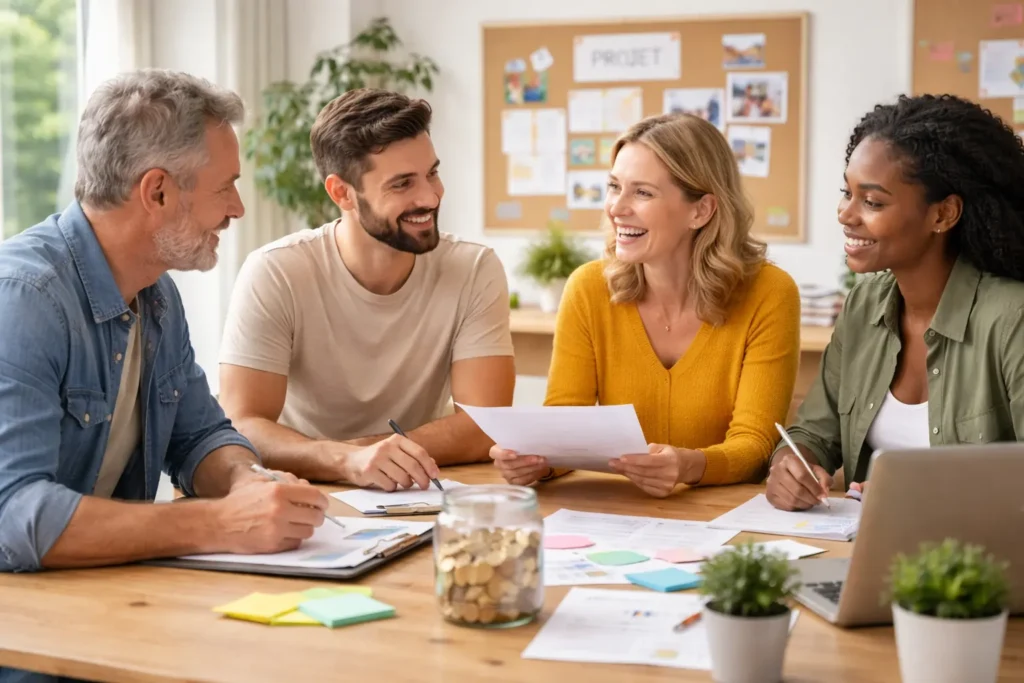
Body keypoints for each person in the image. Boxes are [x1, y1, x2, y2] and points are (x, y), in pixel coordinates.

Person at [0, 69, 329, 578]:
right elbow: (15, 518)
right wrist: (218, 522)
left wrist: (246, 480)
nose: (237, 209)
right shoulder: (24, 299)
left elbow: (200, 436)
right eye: (226, 188)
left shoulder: (156, 294)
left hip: (103, 597)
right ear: (156, 192)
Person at [218, 88, 515, 491]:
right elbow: (242, 425)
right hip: (299, 491)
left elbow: (486, 426)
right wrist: (347, 460)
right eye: (402, 184)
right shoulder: (276, 271)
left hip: (414, 488)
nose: (430, 196)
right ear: (342, 193)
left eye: (432, 173)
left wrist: (372, 455)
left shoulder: (473, 268)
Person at [490, 113, 801, 497]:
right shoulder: (588, 289)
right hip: (615, 519)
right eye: (614, 186)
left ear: (701, 211)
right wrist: (535, 461)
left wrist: (690, 465)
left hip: (722, 521)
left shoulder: (769, 293)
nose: (616, 208)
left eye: (642, 192)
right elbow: (566, 423)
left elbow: (755, 445)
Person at [767, 94, 1024, 511]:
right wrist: (792, 464)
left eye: (872, 202)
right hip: (872, 551)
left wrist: (928, 497)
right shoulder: (864, 306)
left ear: (943, 215)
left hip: (986, 566)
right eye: (846, 193)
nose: (846, 214)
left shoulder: (1012, 318)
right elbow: (813, 432)